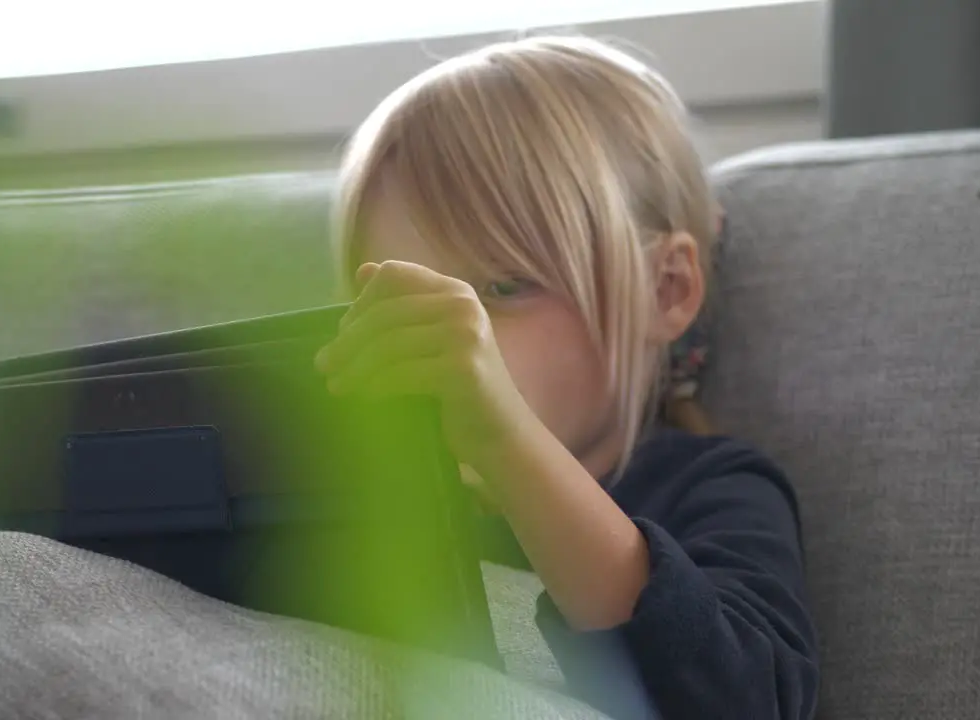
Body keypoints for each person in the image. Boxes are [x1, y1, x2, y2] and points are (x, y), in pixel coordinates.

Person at [314, 35, 818, 720]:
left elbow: (748, 702)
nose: (447, 334)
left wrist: (503, 438)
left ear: (665, 290)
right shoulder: (375, 499)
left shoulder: (711, 485)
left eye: (501, 286)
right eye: (399, 302)